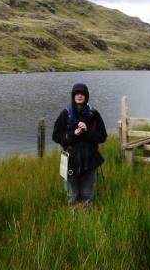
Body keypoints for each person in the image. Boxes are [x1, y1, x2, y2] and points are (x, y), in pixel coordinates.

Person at [52, 83, 107, 211]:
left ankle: (86, 221)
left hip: (90, 160)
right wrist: (72, 134)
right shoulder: (65, 114)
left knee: (87, 194)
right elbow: (56, 136)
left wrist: (87, 131)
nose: (79, 96)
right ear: (73, 96)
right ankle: (74, 221)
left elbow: (102, 136)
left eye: (82, 94)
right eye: (77, 93)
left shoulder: (94, 114)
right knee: (73, 195)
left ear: (86, 96)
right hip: (70, 160)